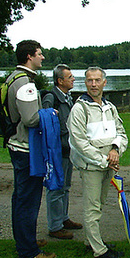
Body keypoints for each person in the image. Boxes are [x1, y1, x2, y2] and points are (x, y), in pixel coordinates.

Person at [67, 67, 128, 258]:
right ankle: (99, 249)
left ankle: (90, 241)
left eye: (97, 80)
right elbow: (80, 143)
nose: (93, 84)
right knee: (92, 207)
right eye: (89, 80)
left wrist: (115, 150)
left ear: (104, 82)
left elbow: (121, 133)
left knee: (99, 204)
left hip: (108, 164)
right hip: (92, 166)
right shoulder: (80, 108)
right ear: (85, 83)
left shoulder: (109, 107)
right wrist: (103, 160)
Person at [6, 40, 56, 258]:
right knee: (28, 199)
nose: (42, 57)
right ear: (29, 57)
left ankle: (25, 240)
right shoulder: (25, 84)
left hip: (16, 145)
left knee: (20, 198)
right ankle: (28, 251)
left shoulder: (12, 78)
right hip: (26, 149)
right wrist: (48, 112)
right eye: (39, 53)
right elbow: (31, 119)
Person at [42, 64, 82, 240]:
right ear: (60, 81)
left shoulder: (67, 97)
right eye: (70, 77)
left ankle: (63, 219)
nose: (73, 79)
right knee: (55, 188)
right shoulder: (52, 98)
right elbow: (46, 122)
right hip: (57, 151)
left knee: (65, 187)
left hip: (68, 150)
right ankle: (55, 226)